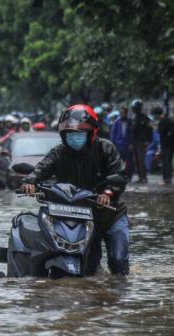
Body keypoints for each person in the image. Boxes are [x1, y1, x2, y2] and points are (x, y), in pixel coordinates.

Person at [21, 104, 129, 275]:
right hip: (79, 216)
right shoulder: (59, 153)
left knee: (118, 262)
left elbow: (119, 175)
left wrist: (108, 193)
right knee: (89, 268)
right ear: (63, 135)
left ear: (92, 132)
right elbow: (41, 168)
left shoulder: (105, 148)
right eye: (70, 134)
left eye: (79, 134)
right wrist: (30, 181)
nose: (74, 138)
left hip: (110, 214)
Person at [152, 106, 174, 185]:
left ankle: (166, 179)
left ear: (157, 114)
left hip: (166, 144)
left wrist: (154, 127)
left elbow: (160, 131)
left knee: (165, 161)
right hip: (171, 143)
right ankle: (169, 178)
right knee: (169, 161)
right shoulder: (168, 120)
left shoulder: (162, 121)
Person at [130, 99, 152, 183]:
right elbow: (132, 131)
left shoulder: (145, 118)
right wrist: (131, 142)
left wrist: (148, 140)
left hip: (141, 141)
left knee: (141, 159)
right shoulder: (134, 118)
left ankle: (144, 177)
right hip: (135, 141)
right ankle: (140, 177)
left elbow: (149, 130)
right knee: (137, 160)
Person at [110, 105, 133, 179]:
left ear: (126, 113)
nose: (121, 114)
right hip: (118, 145)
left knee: (129, 162)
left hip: (127, 145)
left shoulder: (130, 122)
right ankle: (120, 176)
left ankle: (129, 176)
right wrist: (112, 145)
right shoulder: (116, 122)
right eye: (121, 113)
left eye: (123, 113)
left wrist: (131, 143)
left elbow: (132, 133)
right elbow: (113, 134)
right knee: (119, 162)